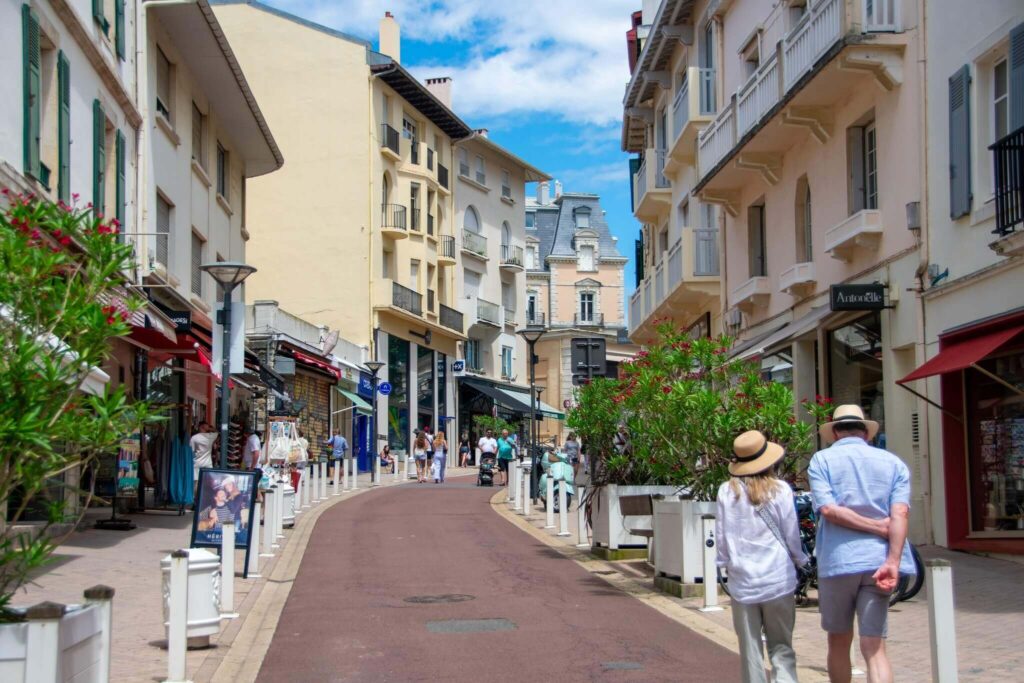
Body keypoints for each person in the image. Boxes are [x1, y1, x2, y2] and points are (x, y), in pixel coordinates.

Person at [808, 405, 915, 683]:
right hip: (879, 562)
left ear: (834, 433)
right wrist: (893, 560)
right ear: (866, 432)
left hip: (838, 561)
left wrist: (873, 525)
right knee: (875, 647)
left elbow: (828, 510)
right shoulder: (893, 463)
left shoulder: (821, 461)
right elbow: (900, 513)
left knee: (839, 641)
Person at [716, 431, 807, 683]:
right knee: (782, 647)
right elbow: (791, 534)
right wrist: (800, 560)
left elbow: (722, 536)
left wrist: (724, 563)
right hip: (778, 578)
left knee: (750, 650)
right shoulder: (780, 490)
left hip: (743, 580)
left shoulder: (727, 491)